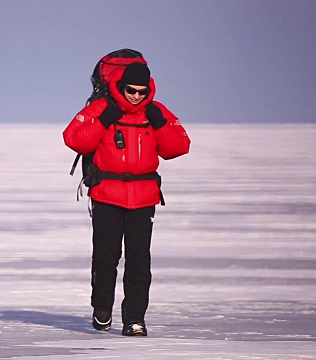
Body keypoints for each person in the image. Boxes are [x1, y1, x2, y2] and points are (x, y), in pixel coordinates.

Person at [62, 55, 190, 336]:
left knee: (139, 262)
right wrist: (103, 119)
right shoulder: (102, 108)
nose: (135, 96)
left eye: (141, 92)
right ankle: (102, 309)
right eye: (131, 90)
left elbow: (179, 147)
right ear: (121, 85)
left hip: (144, 198)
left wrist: (160, 125)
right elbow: (74, 139)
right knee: (106, 258)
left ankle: (134, 319)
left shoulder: (156, 112)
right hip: (107, 194)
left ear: (149, 90)